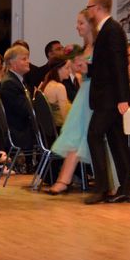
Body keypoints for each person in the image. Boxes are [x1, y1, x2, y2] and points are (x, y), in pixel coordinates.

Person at [84, 0, 130, 204]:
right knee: (117, 141)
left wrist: (123, 98)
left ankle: (102, 188)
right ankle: (128, 188)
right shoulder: (106, 29)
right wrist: (88, 68)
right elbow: (105, 65)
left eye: (89, 7)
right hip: (109, 97)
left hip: (110, 98)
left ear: (97, 7)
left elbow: (118, 65)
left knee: (94, 135)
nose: (87, 11)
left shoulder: (111, 30)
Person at [46, 10, 96, 196]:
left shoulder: (97, 46)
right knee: (75, 135)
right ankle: (63, 180)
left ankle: (110, 182)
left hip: (93, 95)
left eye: (81, 23)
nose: (77, 26)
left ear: (90, 25)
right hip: (85, 94)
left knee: (88, 137)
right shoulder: (85, 48)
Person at [0, 45, 35, 151]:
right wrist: (36, 99)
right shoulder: (9, 83)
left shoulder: (17, 80)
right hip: (19, 135)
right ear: (12, 63)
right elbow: (25, 110)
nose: (28, 61)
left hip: (23, 133)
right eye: (24, 59)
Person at [41, 56, 74, 128]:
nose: (70, 71)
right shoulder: (59, 87)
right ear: (58, 69)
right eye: (67, 68)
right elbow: (65, 117)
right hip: (62, 128)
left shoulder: (48, 84)